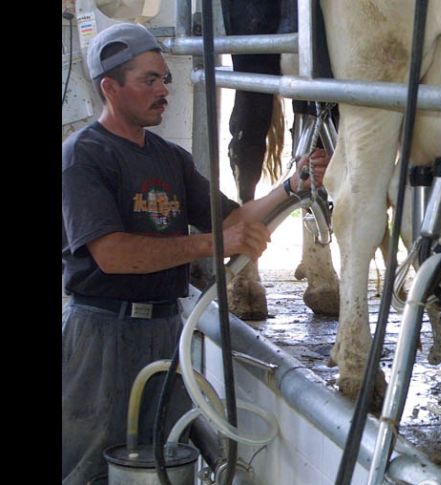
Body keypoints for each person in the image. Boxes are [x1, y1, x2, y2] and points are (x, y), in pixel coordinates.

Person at [61, 22, 328, 484]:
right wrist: (212, 245)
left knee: (167, 459)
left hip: (165, 328)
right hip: (101, 332)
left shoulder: (169, 157)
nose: (164, 89)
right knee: (90, 465)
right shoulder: (84, 157)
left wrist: (292, 185)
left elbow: (233, 222)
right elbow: (113, 255)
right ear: (110, 87)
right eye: (150, 80)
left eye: (165, 78)